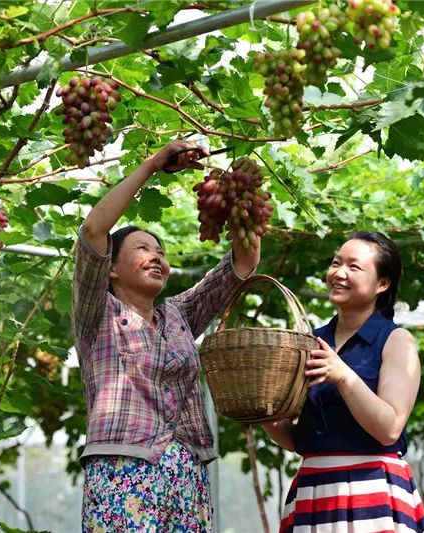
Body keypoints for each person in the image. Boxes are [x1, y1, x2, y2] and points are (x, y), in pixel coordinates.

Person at [71, 141, 259, 531]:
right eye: (143, 249)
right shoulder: (97, 313)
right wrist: (153, 164)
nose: (157, 256)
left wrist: (239, 193)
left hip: (185, 471)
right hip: (122, 470)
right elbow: (93, 229)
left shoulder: (178, 315)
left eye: (161, 251)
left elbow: (243, 262)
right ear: (112, 269)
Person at [263, 231, 424, 532]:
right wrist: (262, 411)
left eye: (354, 267)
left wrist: (343, 375)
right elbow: (299, 439)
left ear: (383, 283)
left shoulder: (396, 341)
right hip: (314, 488)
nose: (338, 273)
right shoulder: (308, 341)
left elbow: (389, 428)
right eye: (336, 263)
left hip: (373, 492)